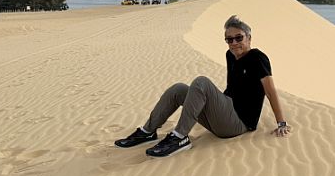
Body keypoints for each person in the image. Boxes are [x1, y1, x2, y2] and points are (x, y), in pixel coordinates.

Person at [115, 15, 291, 157]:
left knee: (201, 82)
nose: (234, 43)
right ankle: (147, 131)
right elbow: (232, 87)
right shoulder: (230, 55)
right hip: (223, 116)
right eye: (229, 39)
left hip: (239, 123)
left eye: (239, 38)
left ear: (249, 38)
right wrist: (212, 106)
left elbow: (270, 91)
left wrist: (281, 123)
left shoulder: (258, 58)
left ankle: (180, 138)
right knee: (178, 89)